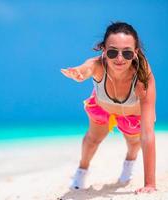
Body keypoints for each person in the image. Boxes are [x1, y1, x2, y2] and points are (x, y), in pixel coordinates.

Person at [60, 22, 156, 194]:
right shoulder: (97, 65)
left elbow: (148, 133)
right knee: (92, 140)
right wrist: (79, 73)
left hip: (132, 118)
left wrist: (150, 184)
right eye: (113, 51)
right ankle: (81, 172)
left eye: (126, 52)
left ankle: (129, 164)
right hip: (102, 110)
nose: (119, 58)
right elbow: (86, 68)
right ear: (104, 50)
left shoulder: (142, 76)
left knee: (134, 143)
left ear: (135, 53)